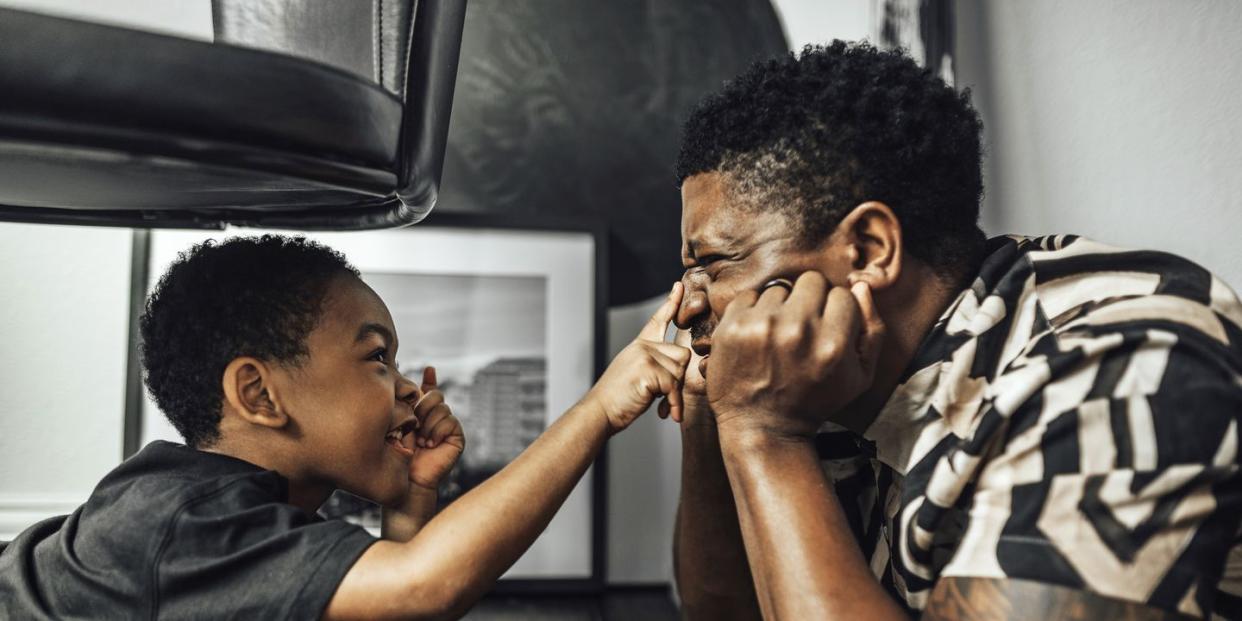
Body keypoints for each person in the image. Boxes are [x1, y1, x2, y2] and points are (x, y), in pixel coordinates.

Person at [669, 41, 1242, 620]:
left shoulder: (1125, 364)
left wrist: (762, 434)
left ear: (867, 251)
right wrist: (707, 406)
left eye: (712, 264)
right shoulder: (831, 374)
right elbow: (724, 612)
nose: (685, 307)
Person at [0, 235, 691, 619]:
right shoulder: (177, 517)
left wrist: (412, 500)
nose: (406, 389)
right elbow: (423, 587)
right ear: (258, 394)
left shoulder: (245, 517)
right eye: (377, 357)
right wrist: (598, 408)